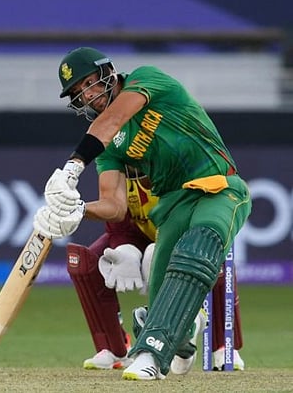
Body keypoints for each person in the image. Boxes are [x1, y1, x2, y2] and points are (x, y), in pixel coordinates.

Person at [33, 47, 251, 381]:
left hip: (219, 186)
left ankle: (150, 355)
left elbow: (114, 120)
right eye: (79, 94)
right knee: (162, 286)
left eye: (89, 83)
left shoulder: (146, 80)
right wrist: (77, 211)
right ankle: (182, 337)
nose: (89, 96)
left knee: (199, 246)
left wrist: (73, 166)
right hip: (173, 205)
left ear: (108, 72)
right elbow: (115, 205)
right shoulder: (111, 148)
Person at [70, 167, 246, 371]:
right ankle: (115, 349)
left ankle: (223, 347)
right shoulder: (117, 165)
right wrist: (126, 249)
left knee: (211, 257)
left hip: (183, 233)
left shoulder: (172, 164)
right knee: (84, 263)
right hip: (141, 236)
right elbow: (117, 221)